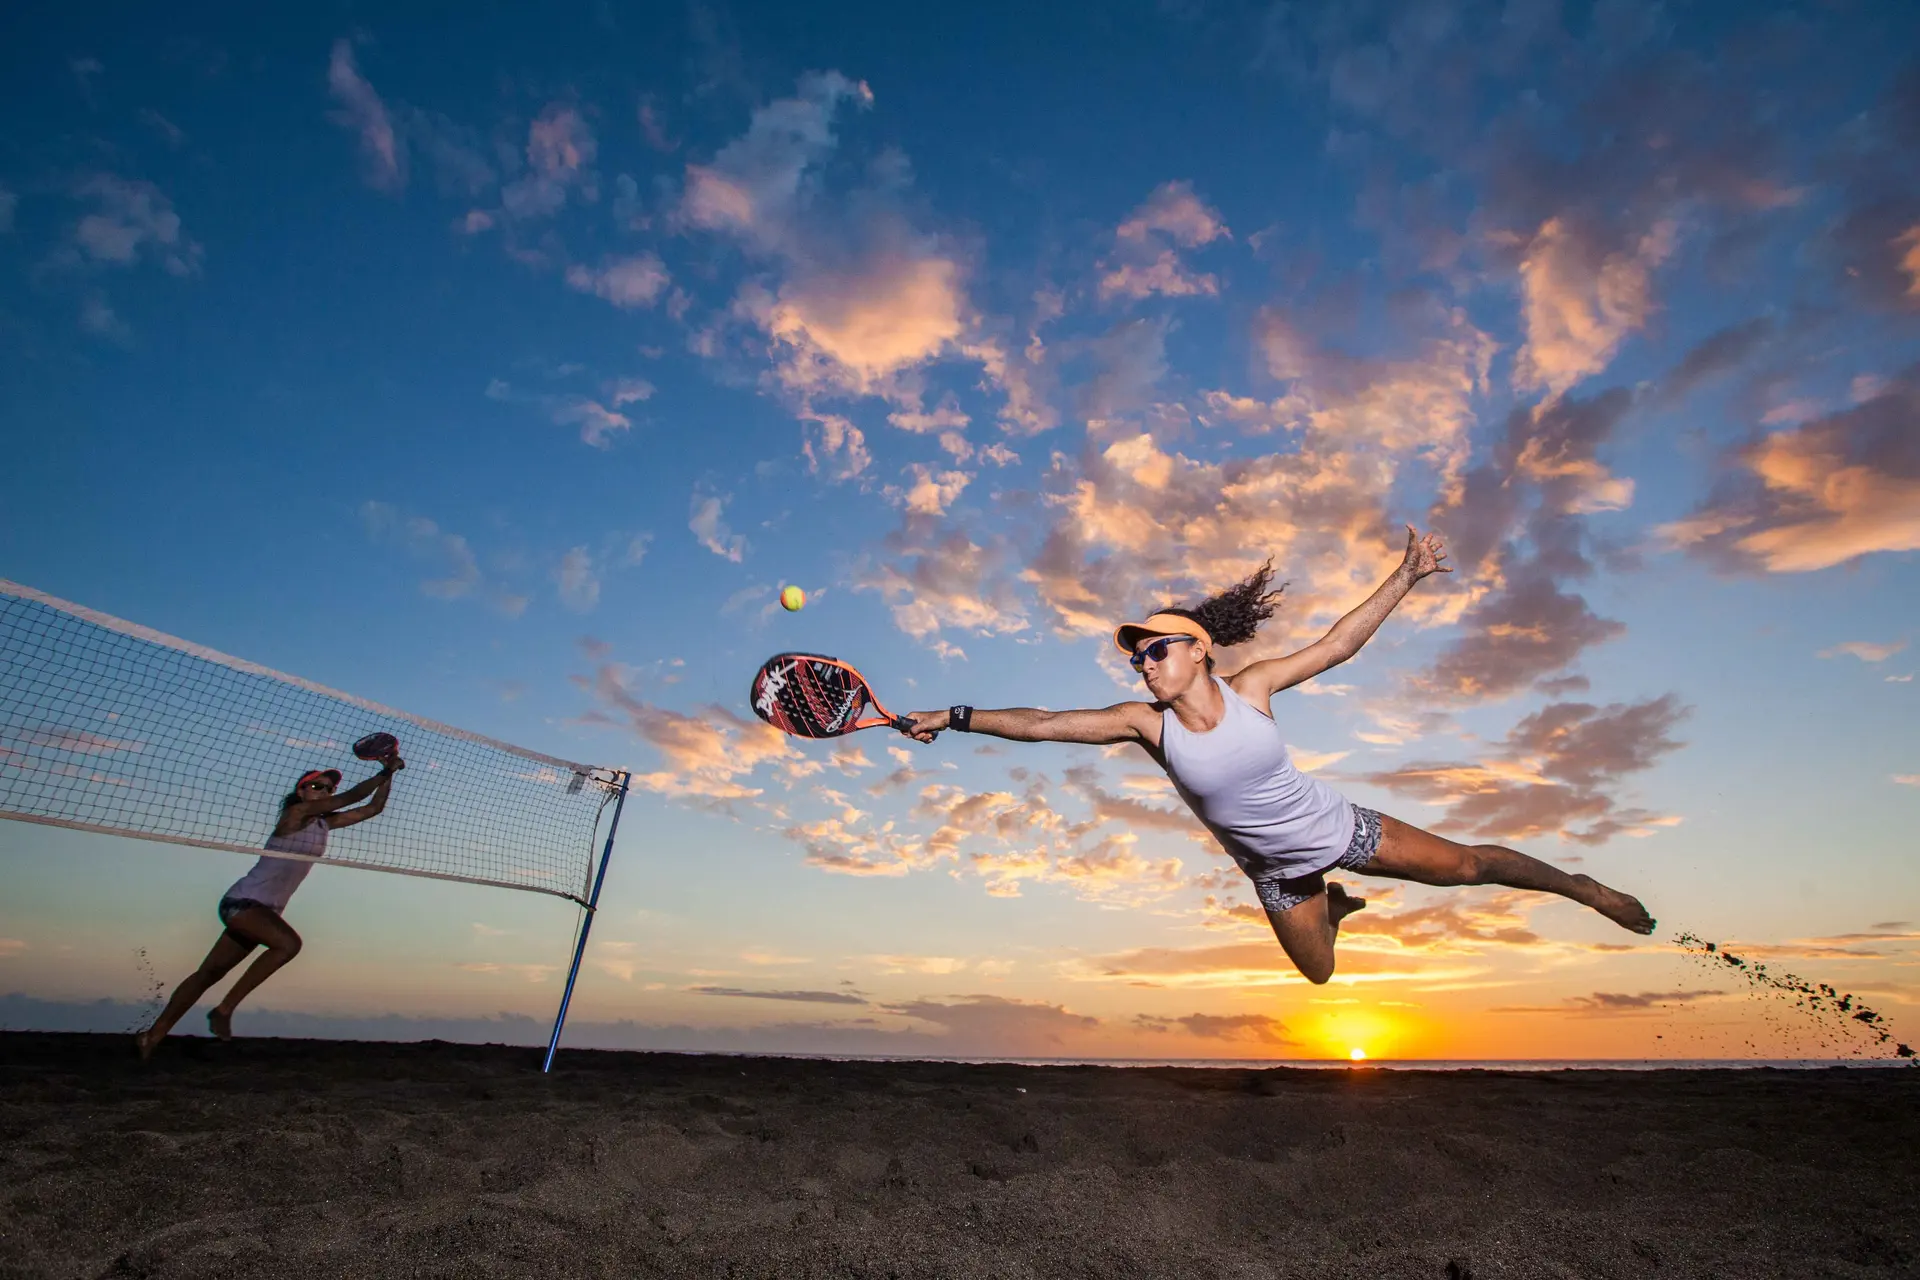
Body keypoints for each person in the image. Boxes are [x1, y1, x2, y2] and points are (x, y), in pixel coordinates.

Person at [900, 527, 1654, 984]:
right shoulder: (1144, 725)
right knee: (1321, 973)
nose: (1142, 664)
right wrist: (955, 716)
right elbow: (1041, 723)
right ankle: (1334, 908)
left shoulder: (1253, 687)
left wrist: (1408, 573)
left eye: (1154, 650)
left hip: (1339, 828)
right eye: (1137, 658)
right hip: (1278, 874)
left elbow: (1337, 644)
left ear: (1196, 652)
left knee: (1468, 868)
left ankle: (1584, 889)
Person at [136, 755, 402, 1057]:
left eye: (327, 788)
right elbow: (352, 796)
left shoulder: (323, 825)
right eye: (317, 786)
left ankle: (152, 1036)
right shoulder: (295, 813)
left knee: (209, 973)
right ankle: (224, 1010)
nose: (324, 792)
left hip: (265, 912)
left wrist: (390, 776)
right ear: (301, 791)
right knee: (288, 945)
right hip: (243, 903)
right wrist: (386, 769)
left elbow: (372, 808)